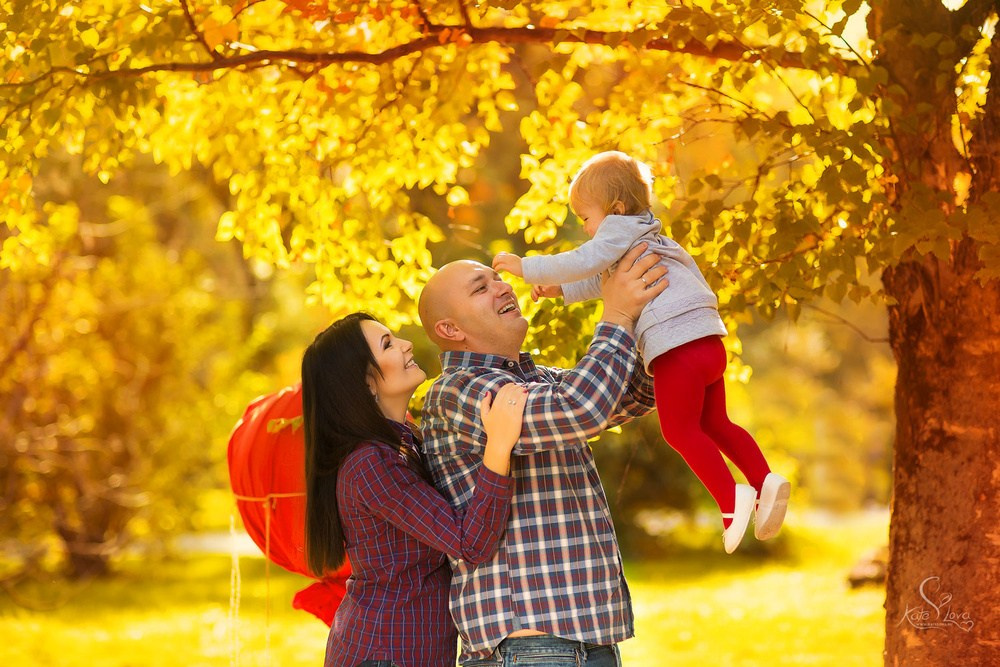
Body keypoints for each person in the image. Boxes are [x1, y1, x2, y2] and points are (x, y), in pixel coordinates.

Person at [492, 150, 790, 555]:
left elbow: (587, 261)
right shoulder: (647, 234)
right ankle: (763, 480)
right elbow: (603, 279)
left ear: (615, 209)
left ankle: (729, 501)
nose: (584, 229)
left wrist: (527, 267)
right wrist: (561, 290)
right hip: (707, 342)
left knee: (679, 431)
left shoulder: (617, 229)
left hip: (675, 347)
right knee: (715, 421)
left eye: (585, 218)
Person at [418, 244, 668, 666]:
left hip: (588, 641)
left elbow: (639, 392)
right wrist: (617, 315)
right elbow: (581, 408)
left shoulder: (538, 380)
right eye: (481, 288)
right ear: (449, 328)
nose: (502, 287)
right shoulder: (457, 390)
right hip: (529, 647)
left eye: (498, 278)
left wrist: (642, 300)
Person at [301, 312, 528, 667]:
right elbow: (471, 542)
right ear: (365, 383)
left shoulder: (406, 445)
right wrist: (499, 445)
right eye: (388, 343)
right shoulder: (370, 463)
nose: (406, 343)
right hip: (384, 652)